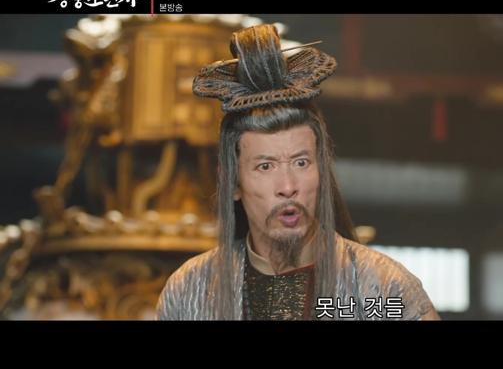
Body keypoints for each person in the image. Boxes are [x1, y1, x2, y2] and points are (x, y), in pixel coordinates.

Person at [156, 24, 440, 320]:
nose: (288, 186)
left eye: (301, 162)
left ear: (322, 169)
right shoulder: (190, 291)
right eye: (265, 166)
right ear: (232, 182)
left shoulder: (384, 289)